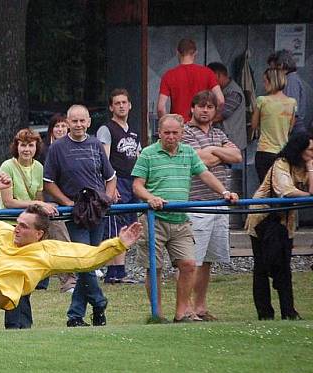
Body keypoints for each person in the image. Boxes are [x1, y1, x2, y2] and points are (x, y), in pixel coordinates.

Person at [0, 173, 143, 369]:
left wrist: (119, 244)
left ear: (39, 234)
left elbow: (89, 258)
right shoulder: (3, 233)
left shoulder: (47, 253)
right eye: (17, 223)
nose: (17, 228)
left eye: (24, 226)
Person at [132, 113, 238, 323]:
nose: (170, 137)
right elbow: (137, 185)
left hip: (180, 219)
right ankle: (157, 314)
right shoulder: (148, 154)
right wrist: (151, 198)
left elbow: (205, 174)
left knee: (189, 264)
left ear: (181, 133)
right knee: (154, 268)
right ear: (159, 133)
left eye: (175, 133)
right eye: (166, 132)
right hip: (155, 219)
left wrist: (224, 192)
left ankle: (182, 312)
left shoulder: (188, 152)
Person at [43, 104, 117, 327]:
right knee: (84, 261)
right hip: (76, 214)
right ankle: (99, 301)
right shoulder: (57, 148)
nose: (78, 125)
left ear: (89, 122)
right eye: (74, 121)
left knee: (90, 263)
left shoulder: (96, 145)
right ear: (67, 122)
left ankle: (76, 316)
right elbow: (48, 182)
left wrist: (108, 198)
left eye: (82, 120)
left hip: (98, 212)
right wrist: (66, 202)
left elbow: (110, 176)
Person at [182, 90, 243, 321]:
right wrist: (218, 154)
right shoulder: (185, 133)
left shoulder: (219, 133)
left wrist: (213, 151)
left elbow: (236, 156)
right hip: (197, 202)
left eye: (210, 107)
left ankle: (200, 306)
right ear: (192, 108)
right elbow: (198, 161)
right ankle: (185, 307)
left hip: (220, 203)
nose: (205, 110)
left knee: (208, 260)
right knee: (192, 259)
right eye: (201, 106)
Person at [244, 132, 313, 321]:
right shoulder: (281, 163)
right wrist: (306, 195)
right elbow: (285, 190)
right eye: (310, 150)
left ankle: (288, 310)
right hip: (263, 219)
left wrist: (310, 167)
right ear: (299, 149)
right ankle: (265, 313)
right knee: (262, 266)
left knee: (285, 265)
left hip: (285, 221)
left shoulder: (307, 167)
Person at [0, 128, 58, 329]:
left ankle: (25, 323)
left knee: (26, 278)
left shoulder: (39, 167)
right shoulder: (7, 166)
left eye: (30, 145)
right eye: (23, 145)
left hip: (30, 231)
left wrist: (41, 209)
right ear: (17, 146)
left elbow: (39, 198)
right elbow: (9, 201)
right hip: (10, 228)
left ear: (36, 147)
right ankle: (14, 323)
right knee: (14, 277)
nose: (26, 149)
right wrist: (38, 205)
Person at [96, 88, 141, 284]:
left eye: (124, 102)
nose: (121, 106)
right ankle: (112, 272)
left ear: (130, 105)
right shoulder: (107, 129)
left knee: (128, 225)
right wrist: (110, 186)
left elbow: (139, 159)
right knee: (114, 226)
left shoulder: (134, 131)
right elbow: (103, 160)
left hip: (132, 182)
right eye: (117, 103)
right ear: (111, 107)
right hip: (116, 181)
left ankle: (120, 271)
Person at [37, 112, 76, 293]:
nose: (60, 129)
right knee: (56, 241)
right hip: (49, 204)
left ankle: (79, 276)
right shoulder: (43, 151)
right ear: (51, 130)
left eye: (63, 125)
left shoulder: (72, 148)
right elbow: (44, 181)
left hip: (69, 202)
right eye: (56, 126)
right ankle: (67, 281)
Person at [157, 38, 224, 122]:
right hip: (201, 125)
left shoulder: (169, 75)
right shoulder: (208, 73)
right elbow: (220, 100)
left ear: (177, 53)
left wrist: (167, 125)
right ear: (195, 53)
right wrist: (210, 119)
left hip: (180, 127)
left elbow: (160, 107)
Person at [252, 68, 297, 182]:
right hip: (284, 151)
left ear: (271, 81)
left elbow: (254, 124)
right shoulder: (292, 102)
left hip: (265, 150)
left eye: (265, 81)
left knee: (266, 188)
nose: (264, 84)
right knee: (282, 188)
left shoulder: (262, 100)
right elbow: (291, 127)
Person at [206, 62, 248, 151]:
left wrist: (201, 122)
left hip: (233, 144)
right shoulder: (221, 90)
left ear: (218, 75)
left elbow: (220, 115)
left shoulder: (233, 92)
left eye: (210, 78)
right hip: (224, 142)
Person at [268, 49, 307, 136]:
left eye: (273, 69)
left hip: (292, 129)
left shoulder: (291, 81)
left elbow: (292, 110)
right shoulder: (288, 80)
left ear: (281, 65)